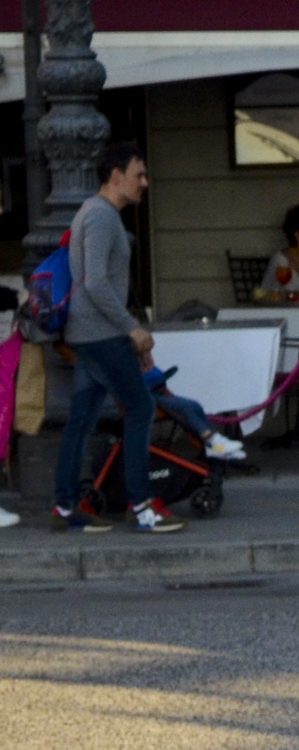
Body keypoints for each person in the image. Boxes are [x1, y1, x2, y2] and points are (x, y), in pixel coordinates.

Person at [52, 143, 182, 533]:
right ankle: (142, 508)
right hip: (101, 335)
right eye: (138, 175)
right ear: (115, 176)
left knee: (82, 420)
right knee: (140, 410)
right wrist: (132, 329)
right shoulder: (102, 216)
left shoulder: (93, 214)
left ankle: (65, 508)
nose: (144, 183)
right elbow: (95, 283)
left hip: (90, 335)